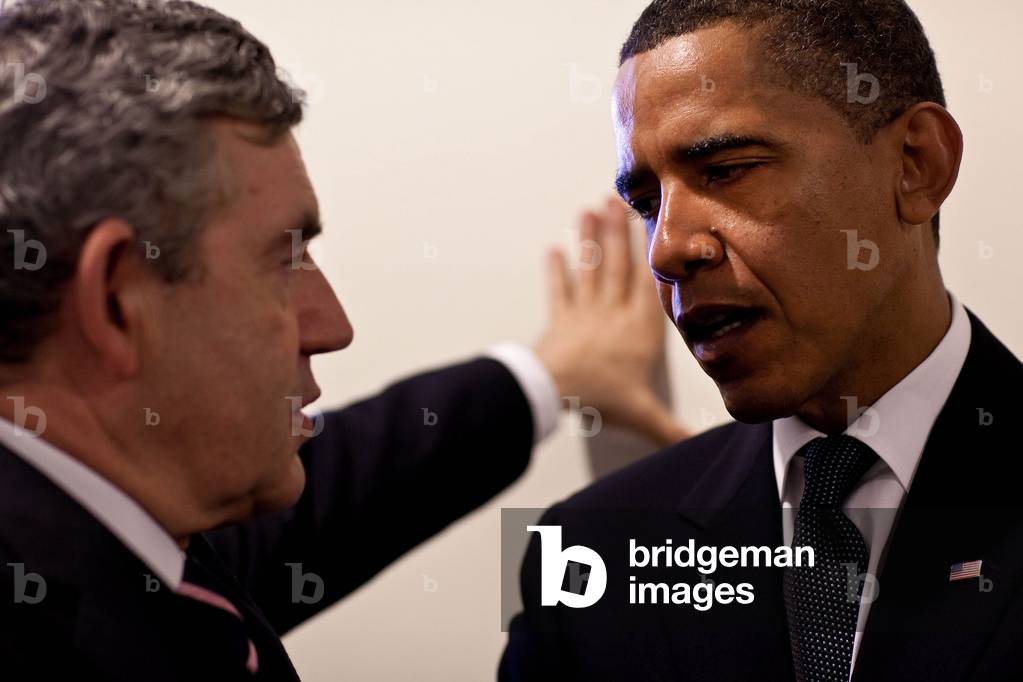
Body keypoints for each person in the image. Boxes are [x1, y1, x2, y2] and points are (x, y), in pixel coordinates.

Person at [0, 1, 687, 679]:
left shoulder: (129, 529)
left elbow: (335, 493)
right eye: (283, 260)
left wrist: (550, 374)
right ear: (117, 302)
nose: (333, 326)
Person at [501, 1, 1023, 681]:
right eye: (646, 204)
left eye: (727, 170)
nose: (666, 250)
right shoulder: (587, 553)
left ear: (916, 163)